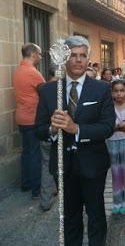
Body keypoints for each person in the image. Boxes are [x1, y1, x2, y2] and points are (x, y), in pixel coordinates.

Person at [35, 35, 115, 245]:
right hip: (63, 166)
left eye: (83, 56)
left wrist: (76, 128)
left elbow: (107, 127)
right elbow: (39, 129)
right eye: (73, 55)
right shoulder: (48, 90)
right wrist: (53, 129)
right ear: (64, 58)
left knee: (96, 216)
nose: (78, 60)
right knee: (70, 218)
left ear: (88, 59)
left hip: (93, 164)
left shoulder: (102, 89)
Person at [13, 42, 45, 199]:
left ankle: (25, 184)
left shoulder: (18, 70)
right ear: (33, 54)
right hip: (32, 118)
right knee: (34, 154)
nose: (40, 56)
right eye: (39, 54)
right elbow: (45, 92)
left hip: (21, 117)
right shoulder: (32, 72)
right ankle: (36, 190)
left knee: (26, 152)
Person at [106, 80, 125, 215]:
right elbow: (106, 128)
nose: (119, 94)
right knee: (116, 173)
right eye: (116, 91)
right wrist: (120, 125)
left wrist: (117, 127)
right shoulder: (108, 107)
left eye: (121, 90)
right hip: (112, 142)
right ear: (112, 92)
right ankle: (117, 202)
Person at [39, 67, 57, 211]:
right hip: (52, 133)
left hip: (47, 133)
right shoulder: (55, 90)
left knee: (47, 166)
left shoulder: (43, 88)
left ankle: (46, 199)